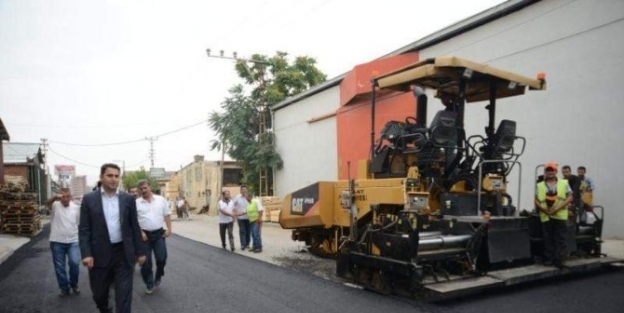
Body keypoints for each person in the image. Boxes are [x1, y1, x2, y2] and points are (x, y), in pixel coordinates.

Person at [79, 163, 146, 313]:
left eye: (116, 176)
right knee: (99, 295)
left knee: (124, 295)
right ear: (101, 177)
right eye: (110, 176)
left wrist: (140, 252)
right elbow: (84, 229)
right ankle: (105, 308)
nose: (113, 179)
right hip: (98, 254)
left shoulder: (128, 199)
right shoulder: (89, 199)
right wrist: (86, 253)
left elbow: (134, 226)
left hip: (123, 253)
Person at [136, 179, 172, 294]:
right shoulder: (136, 203)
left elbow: (166, 215)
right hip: (144, 236)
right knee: (146, 263)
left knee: (162, 258)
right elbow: (134, 221)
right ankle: (149, 283)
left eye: (145, 188)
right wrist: (140, 232)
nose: (143, 190)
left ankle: (159, 274)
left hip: (158, 234)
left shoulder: (160, 200)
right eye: (141, 189)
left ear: (150, 187)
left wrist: (169, 229)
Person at [534, 162, 572, 269]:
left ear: (556, 171)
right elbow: (536, 199)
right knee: (548, 238)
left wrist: (558, 208)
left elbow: (570, 197)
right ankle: (549, 259)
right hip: (546, 215)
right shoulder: (540, 185)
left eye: (552, 170)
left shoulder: (564, 183)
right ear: (545, 172)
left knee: (560, 239)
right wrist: (544, 210)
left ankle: (559, 260)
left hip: (560, 215)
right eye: (548, 170)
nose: (550, 172)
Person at [45, 188, 81, 297]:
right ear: (59, 197)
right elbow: (47, 204)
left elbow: (78, 223)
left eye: (67, 196)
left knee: (74, 263)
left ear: (70, 197)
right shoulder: (55, 205)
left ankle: (74, 284)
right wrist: (55, 197)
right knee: (59, 266)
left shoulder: (76, 208)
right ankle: (64, 288)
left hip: (73, 240)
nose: (65, 199)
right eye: (63, 197)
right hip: (57, 241)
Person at [233, 185, 251, 251]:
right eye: (243, 189)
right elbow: (233, 206)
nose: (244, 191)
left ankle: (247, 244)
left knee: (248, 231)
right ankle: (243, 245)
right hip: (240, 218)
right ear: (240, 191)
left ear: (247, 190)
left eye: (245, 189)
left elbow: (253, 205)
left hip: (249, 218)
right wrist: (234, 215)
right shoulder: (237, 198)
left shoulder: (249, 197)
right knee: (242, 231)